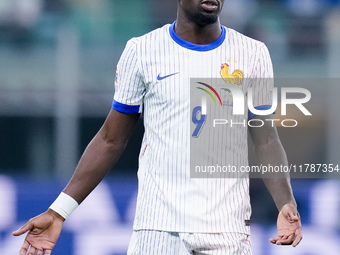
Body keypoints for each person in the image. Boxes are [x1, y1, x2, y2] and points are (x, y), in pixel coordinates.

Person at [13, 0, 302, 254]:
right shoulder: (142, 51)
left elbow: (265, 139)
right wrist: (59, 211)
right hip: (157, 229)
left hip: (227, 231)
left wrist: (285, 203)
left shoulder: (253, 53)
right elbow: (110, 140)